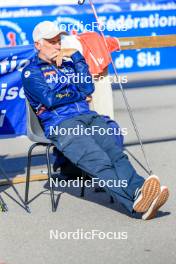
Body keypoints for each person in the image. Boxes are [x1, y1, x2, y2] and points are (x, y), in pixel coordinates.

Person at [22, 21, 169, 220]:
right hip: (62, 124)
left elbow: (88, 88)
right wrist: (76, 93)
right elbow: (49, 100)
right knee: (100, 162)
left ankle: (140, 193)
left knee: (117, 155)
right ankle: (136, 207)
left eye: (59, 41)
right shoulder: (32, 71)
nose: (57, 45)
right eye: (51, 41)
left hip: (87, 116)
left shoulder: (67, 64)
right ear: (38, 44)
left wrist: (75, 55)